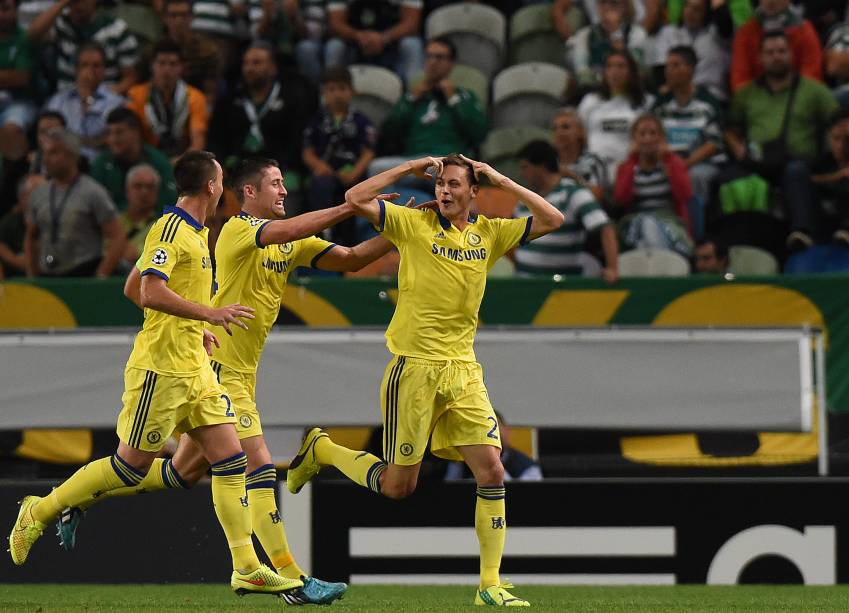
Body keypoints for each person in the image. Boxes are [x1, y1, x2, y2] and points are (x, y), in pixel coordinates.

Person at [57, 156, 407, 604]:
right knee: (257, 466)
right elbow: (286, 231)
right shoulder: (238, 231)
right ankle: (294, 581)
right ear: (248, 193)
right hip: (217, 371)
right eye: (275, 184)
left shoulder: (288, 244)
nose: (283, 191)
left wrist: (398, 231)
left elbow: (353, 259)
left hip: (237, 372)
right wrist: (352, 207)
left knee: (179, 473)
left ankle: (79, 499)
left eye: (284, 184)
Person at [8, 150, 303, 599]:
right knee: (129, 468)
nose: (223, 186)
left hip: (197, 368)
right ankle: (40, 510)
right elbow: (148, 290)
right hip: (161, 368)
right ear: (210, 187)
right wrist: (207, 313)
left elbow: (133, 286)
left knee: (230, 458)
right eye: (220, 179)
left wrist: (196, 327)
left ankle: (245, 567)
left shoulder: (198, 233)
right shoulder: (169, 228)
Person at [286, 154, 566, 607]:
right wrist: (408, 167)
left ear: (474, 192)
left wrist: (500, 180)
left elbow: (553, 218)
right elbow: (355, 197)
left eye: (455, 184)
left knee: (492, 468)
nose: (445, 191)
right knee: (400, 487)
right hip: (413, 368)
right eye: (441, 184)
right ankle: (323, 450)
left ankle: (489, 584)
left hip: (463, 371)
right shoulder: (412, 224)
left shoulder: (489, 233)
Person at [724, 30, 837, 249]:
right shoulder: (746, 94)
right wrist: (738, 149)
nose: (777, 56)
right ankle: (732, 245)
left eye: (782, 51)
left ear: (791, 55)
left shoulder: (814, 91)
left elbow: (839, 123)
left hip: (800, 163)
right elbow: (730, 128)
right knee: (726, 178)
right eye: (770, 52)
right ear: (760, 58)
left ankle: (802, 234)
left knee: (795, 171)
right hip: (757, 163)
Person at [209, 41, 316, 211]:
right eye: (246, 63)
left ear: (273, 68)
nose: (249, 68)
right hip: (239, 168)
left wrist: (275, 170)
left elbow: (297, 139)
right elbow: (216, 138)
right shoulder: (230, 99)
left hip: (281, 168)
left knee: (290, 186)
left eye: (257, 63)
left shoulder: (292, 98)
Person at [371, 37, 489, 179]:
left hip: (447, 161)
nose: (432, 62)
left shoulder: (464, 96)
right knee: (376, 168)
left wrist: (453, 99)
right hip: (414, 162)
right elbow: (389, 133)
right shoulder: (412, 96)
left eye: (439, 57)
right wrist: (410, 100)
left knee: (454, 172)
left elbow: (479, 134)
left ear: (451, 63)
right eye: (429, 57)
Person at [24, 128, 126, 277]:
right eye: (44, 153)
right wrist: (32, 274)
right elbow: (31, 237)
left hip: (84, 273)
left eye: (53, 153)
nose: (46, 159)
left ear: (72, 155)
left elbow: (117, 236)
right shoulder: (39, 194)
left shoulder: (93, 192)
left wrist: (102, 274)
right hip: (48, 275)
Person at [515, 140, 619, 282]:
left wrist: (612, 268)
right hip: (523, 285)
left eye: (524, 167)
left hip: (562, 287)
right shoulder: (524, 198)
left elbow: (605, 228)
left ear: (541, 166)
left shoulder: (573, 194)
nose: (521, 174)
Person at [651, 45, 724, 240]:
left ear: (691, 69)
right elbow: (652, 134)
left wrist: (686, 164)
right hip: (668, 162)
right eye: (667, 66)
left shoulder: (707, 102)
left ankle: (695, 237)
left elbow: (714, 143)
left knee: (694, 178)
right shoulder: (662, 103)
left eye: (675, 65)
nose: (669, 71)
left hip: (700, 163)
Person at [302, 66, 376, 246]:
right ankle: (323, 234)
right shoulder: (316, 121)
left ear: (352, 91)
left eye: (342, 89)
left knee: (353, 196)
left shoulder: (361, 121)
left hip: (352, 174)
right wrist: (319, 166)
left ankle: (349, 243)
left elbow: (368, 152)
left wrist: (355, 172)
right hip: (325, 174)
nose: (337, 94)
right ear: (324, 93)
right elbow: (307, 151)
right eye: (331, 89)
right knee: (320, 186)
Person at [613, 114, 694, 256]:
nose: (647, 139)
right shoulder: (626, 168)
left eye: (653, 133)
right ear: (634, 139)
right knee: (645, 224)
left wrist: (667, 159)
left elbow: (685, 195)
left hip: (670, 224)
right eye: (642, 134)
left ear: (661, 138)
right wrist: (632, 160)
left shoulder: (673, 163)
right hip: (634, 225)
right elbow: (621, 198)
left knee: (648, 227)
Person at [27, 0, 139, 94]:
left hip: (104, 96)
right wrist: (62, 3)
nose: (77, 6)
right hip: (66, 96)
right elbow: (32, 35)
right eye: (74, 1)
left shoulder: (117, 30)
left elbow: (130, 77)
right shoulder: (62, 24)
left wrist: (107, 95)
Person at [578, 50, 654, 184]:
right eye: (610, 66)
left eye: (621, 66)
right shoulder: (590, 101)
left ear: (631, 72)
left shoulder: (646, 103)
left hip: (630, 170)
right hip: (593, 167)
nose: (615, 71)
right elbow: (580, 135)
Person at [127, 39, 208, 159]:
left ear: (181, 67)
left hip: (183, 160)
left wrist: (180, 162)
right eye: (161, 63)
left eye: (173, 64)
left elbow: (197, 142)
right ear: (152, 66)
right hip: (147, 159)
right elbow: (132, 138)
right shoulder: (135, 95)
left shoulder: (196, 97)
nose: (166, 69)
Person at [44, 42, 125, 161]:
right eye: (85, 65)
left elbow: (108, 140)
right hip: (63, 163)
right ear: (76, 70)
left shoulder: (116, 102)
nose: (90, 71)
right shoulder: (59, 101)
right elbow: (49, 134)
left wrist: (87, 99)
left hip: (97, 165)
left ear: (104, 70)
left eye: (96, 66)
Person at [90, 107, 178, 213]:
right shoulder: (101, 165)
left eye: (119, 132)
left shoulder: (158, 163)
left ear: (136, 132)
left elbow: (169, 203)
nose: (113, 139)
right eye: (109, 133)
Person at [730, 0, 822, 92]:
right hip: (757, 101)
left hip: (797, 99)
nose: (770, 1)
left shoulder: (804, 31)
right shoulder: (746, 33)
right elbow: (740, 80)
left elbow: (811, 78)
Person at [324, 0, 424, 85]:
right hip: (354, 44)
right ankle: (330, 96)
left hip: (393, 44)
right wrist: (358, 36)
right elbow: (335, 24)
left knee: (412, 44)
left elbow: (412, 24)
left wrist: (384, 38)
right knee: (334, 46)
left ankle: (416, 98)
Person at [651, 0, 730, 100]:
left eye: (697, 10)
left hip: (712, 95)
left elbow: (726, 25)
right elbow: (659, 67)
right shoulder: (668, 33)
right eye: (687, 6)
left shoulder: (718, 35)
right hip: (676, 96)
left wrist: (718, 5)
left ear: (706, 14)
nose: (690, 12)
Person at [566, 0, 648, 91]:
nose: (607, 7)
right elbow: (582, 71)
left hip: (629, 91)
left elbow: (636, 69)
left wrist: (615, 33)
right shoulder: (585, 34)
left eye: (613, 3)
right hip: (595, 90)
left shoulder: (637, 33)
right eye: (603, 3)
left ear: (624, 6)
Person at [445, 411, 543, 482]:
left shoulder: (528, 467)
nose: (490, 438)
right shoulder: (461, 461)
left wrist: (492, 463)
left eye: (495, 429)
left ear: (506, 431)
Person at [0, 0, 36, 163]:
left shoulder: (23, 37)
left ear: (16, 10)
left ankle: (12, 180)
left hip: (19, 101)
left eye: (5, 9)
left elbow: (21, 77)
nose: (1, 15)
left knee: (11, 129)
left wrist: (11, 77)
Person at [550, 107, 608, 201]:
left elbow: (597, 196)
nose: (559, 132)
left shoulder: (594, 162)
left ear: (581, 131)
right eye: (554, 129)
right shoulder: (548, 164)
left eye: (565, 127)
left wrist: (572, 177)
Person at [812, 109, 849, 244]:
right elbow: (810, 180)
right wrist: (839, 175)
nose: (841, 145)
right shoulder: (824, 161)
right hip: (827, 223)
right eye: (836, 138)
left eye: (846, 139)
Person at [116, 164, 160, 270]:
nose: (144, 192)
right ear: (127, 191)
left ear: (157, 192)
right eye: (137, 186)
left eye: (150, 187)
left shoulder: (163, 227)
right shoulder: (114, 223)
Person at [0, 173, 45, 279]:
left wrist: (39, 261)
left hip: (50, 278)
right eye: (37, 194)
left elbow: (54, 256)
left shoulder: (54, 222)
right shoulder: (10, 222)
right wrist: (17, 261)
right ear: (21, 197)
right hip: (14, 281)